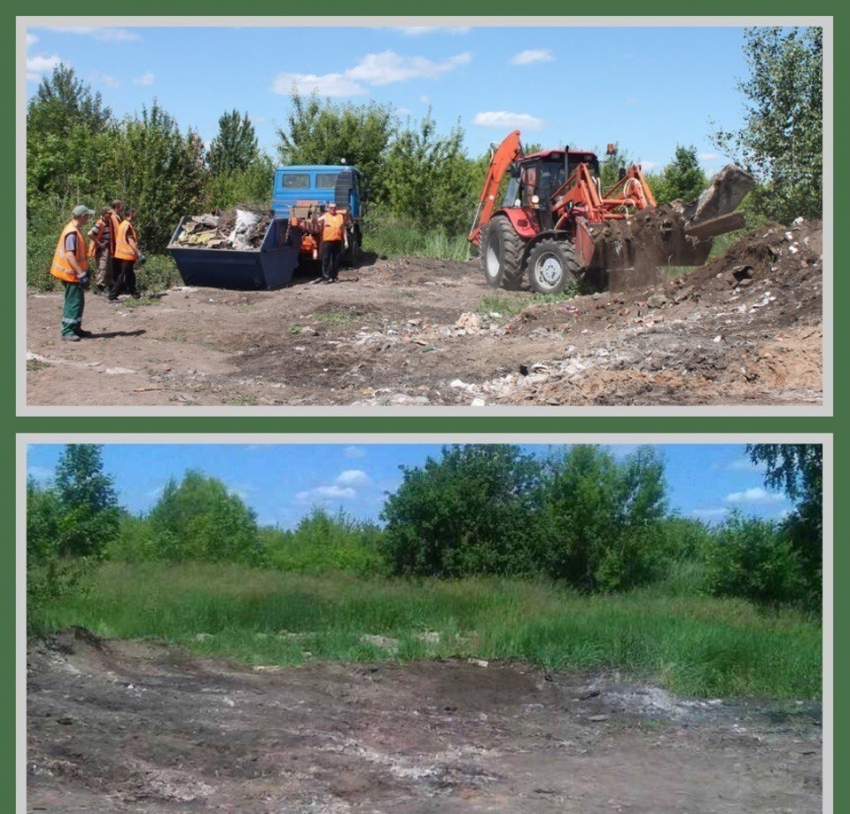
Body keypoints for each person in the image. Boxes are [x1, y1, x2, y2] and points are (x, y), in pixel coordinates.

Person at [50, 204, 94, 341]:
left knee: (78, 301)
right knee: (73, 302)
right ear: (82, 216)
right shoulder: (72, 232)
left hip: (74, 274)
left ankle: (75, 328)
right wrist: (81, 274)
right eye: (87, 216)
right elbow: (70, 256)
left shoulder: (74, 230)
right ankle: (67, 331)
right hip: (71, 274)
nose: (88, 219)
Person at [109, 208, 140, 301]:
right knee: (122, 276)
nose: (135, 215)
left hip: (121, 254)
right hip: (126, 255)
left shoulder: (123, 224)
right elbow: (130, 241)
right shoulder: (127, 226)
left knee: (130, 274)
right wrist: (139, 253)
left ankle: (134, 293)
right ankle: (113, 295)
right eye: (134, 213)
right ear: (131, 213)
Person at [317, 201, 347, 284]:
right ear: (328, 208)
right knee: (326, 259)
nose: (333, 209)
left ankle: (335, 276)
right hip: (327, 241)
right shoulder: (325, 216)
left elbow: (343, 229)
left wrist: (346, 241)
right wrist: (314, 219)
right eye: (331, 208)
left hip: (337, 241)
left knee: (336, 260)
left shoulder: (340, 217)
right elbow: (317, 221)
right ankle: (325, 278)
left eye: (334, 208)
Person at [88, 206, 114, 295]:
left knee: (109, 267)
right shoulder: (100, 223)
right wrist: (99, 244)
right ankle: (99, 288)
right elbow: (90, 233)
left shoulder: (109, 222)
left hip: (108, 247)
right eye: (109, 213)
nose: (111, 215)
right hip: (102, 249)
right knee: (102, 267)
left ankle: (110, 286)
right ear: (104, 214)